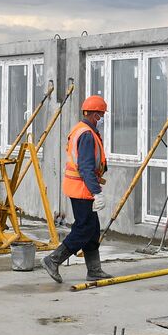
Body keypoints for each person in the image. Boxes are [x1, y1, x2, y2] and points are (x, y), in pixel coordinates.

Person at [42, 95, 113, 283]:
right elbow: (86, 166)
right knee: (84, 229)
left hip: (79, 187)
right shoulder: (87, 135)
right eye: (101, 115)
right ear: (95, 115)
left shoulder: (80, 129)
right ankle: (53, 259)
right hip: (82, 189)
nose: (102, 118)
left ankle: (94, 270)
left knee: (93, 229)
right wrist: (96, 192)